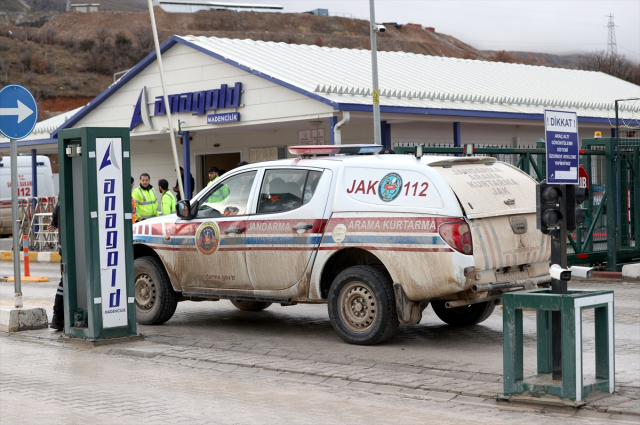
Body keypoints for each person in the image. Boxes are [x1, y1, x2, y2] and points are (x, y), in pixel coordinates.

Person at [47, 201, 64, 331]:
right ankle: (58, 318)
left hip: (64, 244)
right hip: (72, 245)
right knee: (65, 282)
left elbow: (56, 216)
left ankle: (58, 318)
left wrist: (53, 223)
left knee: (64, 282)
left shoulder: (62, 196)